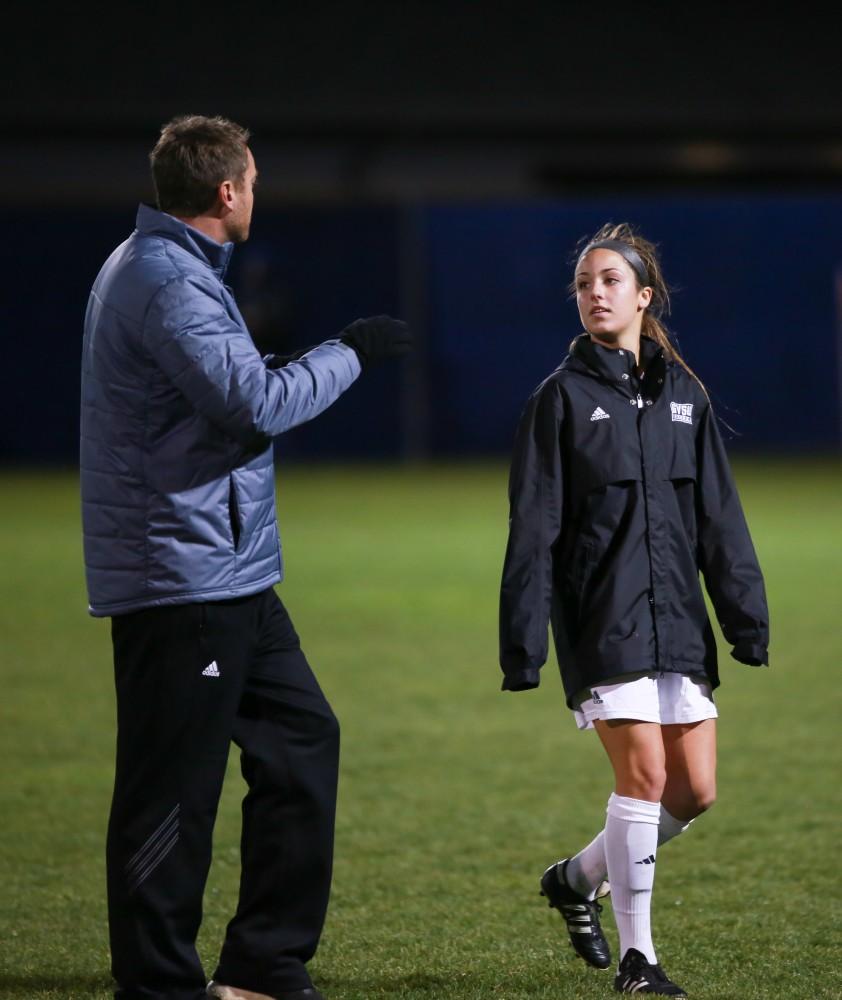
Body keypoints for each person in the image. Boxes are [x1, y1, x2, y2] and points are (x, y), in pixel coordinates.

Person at [80, 114, 412, 1000]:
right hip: (181, 577)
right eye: (254, 181)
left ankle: (263, 963)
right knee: (173, 791)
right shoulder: (163, 279)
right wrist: (350, 351)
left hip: (227, 572)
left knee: (303, 739)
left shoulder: (167, 268)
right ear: (226, 191)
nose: (257, 193)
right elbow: (253, 402)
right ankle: (157, 984)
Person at [498, 223, 769, 996]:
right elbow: (533, 529)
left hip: (677, 618)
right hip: (601, 619)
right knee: (644, 778)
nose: (594, 294)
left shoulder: (687, 396)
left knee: (695, 791)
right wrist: (524, 641)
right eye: (584, 283)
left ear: (644, 297)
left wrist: (744, 616)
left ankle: (576, 877)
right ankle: (638, 960)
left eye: (609, 281)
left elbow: (719, 517)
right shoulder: (559, 400)